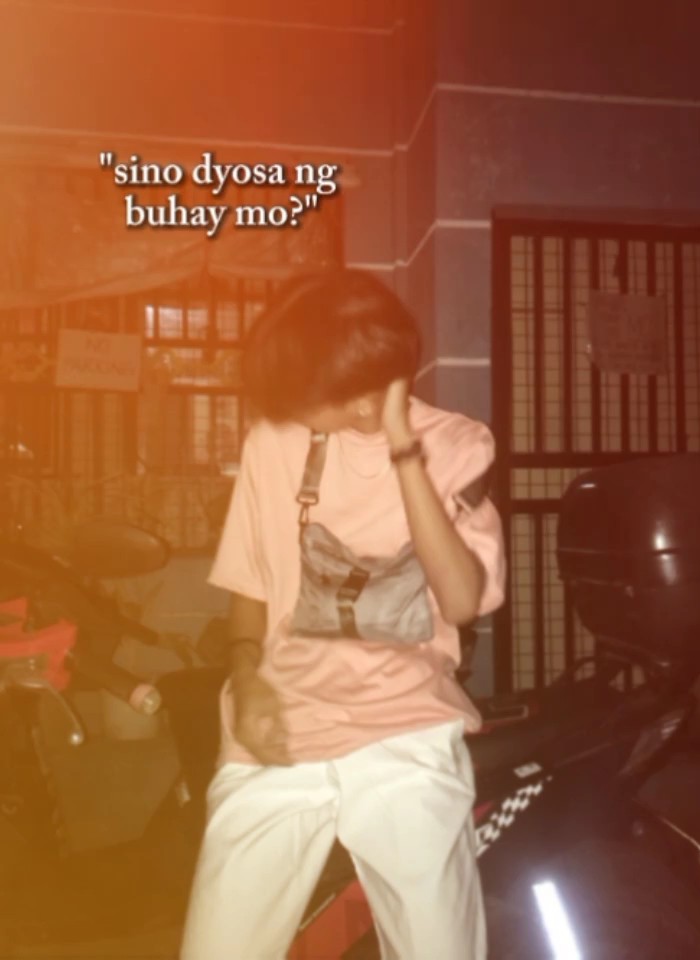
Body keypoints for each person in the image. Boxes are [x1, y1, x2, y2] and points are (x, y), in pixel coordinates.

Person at [181, 269, 506, 960]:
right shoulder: (272, 442)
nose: (285, 406)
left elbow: (460, 601)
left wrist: (401, 446)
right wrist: (246, 679)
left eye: (302, 392)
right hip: (278, 725)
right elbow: (250, 587)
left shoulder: (458, 446)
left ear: (362, 400)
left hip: (405, 730)